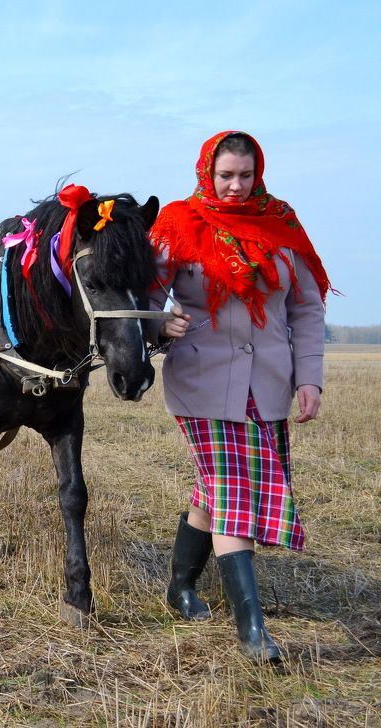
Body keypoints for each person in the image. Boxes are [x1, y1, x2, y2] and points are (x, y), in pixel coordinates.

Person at [149, 131, 331, 663]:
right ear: (207, 171)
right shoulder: (178, 223)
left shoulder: (281, 223)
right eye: (225, 175)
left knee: (215, 491)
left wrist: (309, 377)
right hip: (201, 380)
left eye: (244, 176)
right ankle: (252, 631)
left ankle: (180, 586)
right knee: (233, 494)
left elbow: (306, 308)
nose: (234, 186)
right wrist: (162, 325)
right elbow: (143, 298)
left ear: (259, 173)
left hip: (268, 383)